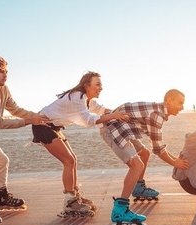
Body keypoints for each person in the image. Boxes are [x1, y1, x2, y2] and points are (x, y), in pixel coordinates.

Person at [32, 71, 129, 217]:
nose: (101, 87)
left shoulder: (88, 100)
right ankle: (69, 203)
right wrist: (114, 116)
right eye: (97, 84)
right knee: (68, 161)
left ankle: (74, 197)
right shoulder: (78, 97)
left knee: (73, 160)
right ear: (86, 85)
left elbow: (103, 110)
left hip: (52, 127)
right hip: (42, 126)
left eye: (101, 84)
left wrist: (124, 114)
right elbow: (88, 121)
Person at [101, 89, 189, 225]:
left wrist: (175, 159)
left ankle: (138, 187)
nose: (182, 107)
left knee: (144, 154)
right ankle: (120, 209)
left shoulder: (158, 111)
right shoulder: (157, 115)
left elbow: (155, 146)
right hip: (113, 129)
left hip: (124, 128)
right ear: (169, 101)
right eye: (180, 103)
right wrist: (175, 162)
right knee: (137, 165)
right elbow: (158, 149)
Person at [0, 56, 49, 211]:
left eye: (6, 71)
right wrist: (30, 121)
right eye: (0, 71)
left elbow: (16, 110)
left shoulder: (3, 89)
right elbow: (0, 123)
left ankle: (1, 196)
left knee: (2, 161)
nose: (5, 75)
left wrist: (37, 116)